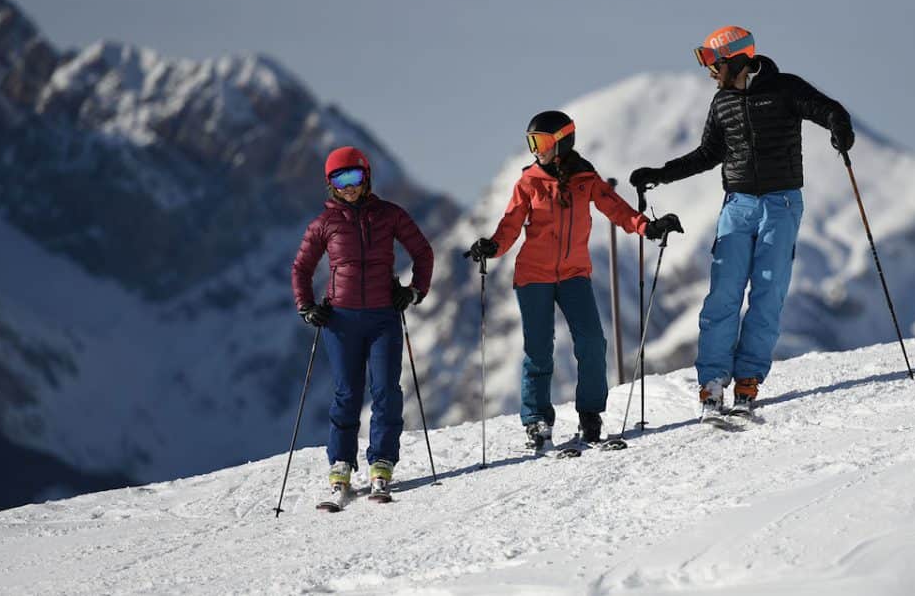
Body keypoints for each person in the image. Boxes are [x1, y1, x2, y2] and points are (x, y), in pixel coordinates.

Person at [629, 26, 855, 421]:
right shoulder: (722, 103)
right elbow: (707, 153)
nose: (709, 71)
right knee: (723, 295)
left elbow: (829, 110)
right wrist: (661, 174)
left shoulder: (785, 88)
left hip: (781, 204)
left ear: (734, 59)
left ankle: (748, 381)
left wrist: (840, 129)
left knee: (768, 293)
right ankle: (712, 384)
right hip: (738, 205)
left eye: (712, 62)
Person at [468, 110, 682, 449]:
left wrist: (648, 227)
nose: (534, 150)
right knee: (539, 350)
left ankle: (590, 415)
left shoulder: (585, 178)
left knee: (593, 343)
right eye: (531, 143)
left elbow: (617, 209)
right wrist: (492, 247)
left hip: (574, 274)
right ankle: (537, 421)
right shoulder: (528, 183)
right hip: (533, 276)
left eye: (539, 142)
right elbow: (510, 225)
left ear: (561, 141)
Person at [291, 145, 434, 500]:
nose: (349, 187)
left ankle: (382, 462)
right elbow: (301, 268)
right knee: (347, 392)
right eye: (339, 181)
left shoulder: (390, 215)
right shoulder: (324, 223)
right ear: (330, 186)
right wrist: (307, 307)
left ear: (366, 176)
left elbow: (423, 252)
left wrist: (415, 291)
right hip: (341, 320)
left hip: (384, 316)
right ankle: (341, 462)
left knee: (386, 390)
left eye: (354, 177)